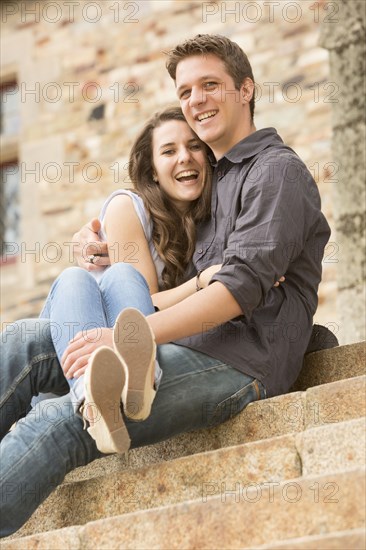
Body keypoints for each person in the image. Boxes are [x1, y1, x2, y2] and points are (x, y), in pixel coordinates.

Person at [0, 34, 332, 537]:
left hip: (236, 363)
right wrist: (106, 241)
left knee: (64, 421)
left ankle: (92, 401)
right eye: (185, 91)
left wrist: (130, 337)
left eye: (210, 85)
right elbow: (167, 264)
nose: (196, 100)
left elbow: (235, 292)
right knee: (22, 340)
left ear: (246, 89)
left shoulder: (275, 172)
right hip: (179, 346)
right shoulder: (214, 185)